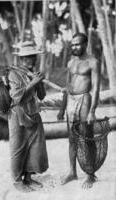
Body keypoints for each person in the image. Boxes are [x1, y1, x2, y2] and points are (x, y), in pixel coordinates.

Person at [57, 33, 100, 189]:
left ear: (85, 44)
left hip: (85, 100)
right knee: (72, 139)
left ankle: (90, 174)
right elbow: (67, 87)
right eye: (72, 44)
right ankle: (72, 172)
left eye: (77, 44)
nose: (74, 47)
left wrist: (92, 111)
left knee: (87, 138)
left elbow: (95, 89)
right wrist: (62, 108)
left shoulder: (93, 62)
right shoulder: (70, 63)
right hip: (71, 101)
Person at [8, 41, 48, 192]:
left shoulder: (34, 73)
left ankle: (29, 177)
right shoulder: (13, 73)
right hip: (18, 114)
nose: (30, 60)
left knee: (35, 146)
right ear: (21, 59)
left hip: (33, 112)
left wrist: (40, 82)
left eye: (33, 57)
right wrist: (33, 82)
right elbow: (17, 97)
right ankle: (18, 181)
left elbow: (42, 96)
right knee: (18, 148)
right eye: (27, 58)